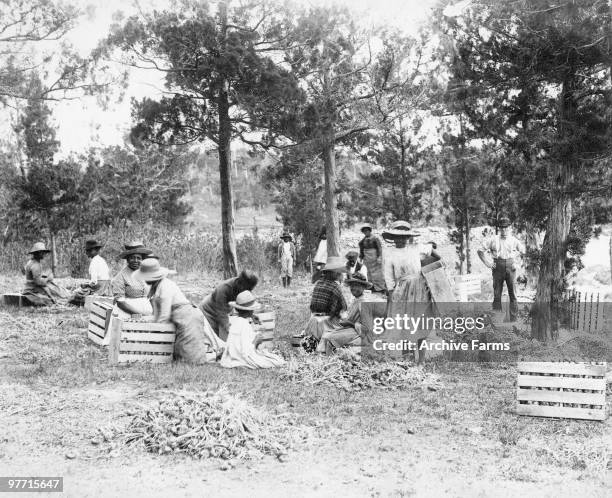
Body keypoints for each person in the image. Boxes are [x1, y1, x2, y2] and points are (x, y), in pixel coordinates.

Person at [135, 258, 224, 364]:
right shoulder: (155, 288)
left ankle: (217, 355)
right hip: (178, 318)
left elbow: (164, 316)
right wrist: (145, 320)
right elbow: (157, 315)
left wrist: (154, 333)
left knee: (189, 358)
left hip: (187, 316)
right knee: (179, 352)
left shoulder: (165, 286)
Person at [383, 221, 442, 364]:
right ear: (393, 237)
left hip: (420, 289)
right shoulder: (389, 255)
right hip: (402, 291)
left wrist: (432, 266)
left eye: (404, 237)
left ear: (408, 237)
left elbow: (436, 256)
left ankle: (421, 360)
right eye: (398, 237)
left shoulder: (416, 249)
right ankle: (407, 359)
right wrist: (392, 299)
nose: (401, 240)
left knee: (420, 325)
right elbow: (389, 279)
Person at [220, 291, 286, 369]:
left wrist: (251, 316)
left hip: (232, 356)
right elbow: (246, 353)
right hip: (242, 358)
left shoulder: (236, 321)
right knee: (278, 361)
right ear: (250, 310)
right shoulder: (244, 325)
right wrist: (256, 341)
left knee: (272, 357)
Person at [477, 216, 525, 321]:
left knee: (513, 293)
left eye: (506, 227)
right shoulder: (493, 239)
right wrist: (488, 263)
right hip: (497, 266)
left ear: (510, 228)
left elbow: (524, 252)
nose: (504, 230)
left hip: (510, 266)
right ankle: (497, 319)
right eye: (502, 227)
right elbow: (480, 250)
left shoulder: (513, 240)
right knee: (497, 294)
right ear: (499, 228)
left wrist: (517, 263)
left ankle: (514, 320)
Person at [316, 273, 372, 354]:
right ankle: (322, 354)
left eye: (356, 285)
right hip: (350, 329)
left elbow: (367, 329)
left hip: (358, 333)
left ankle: (327, 358)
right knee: (324, 325)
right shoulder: (356, 300)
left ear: (363, 287)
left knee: (329, 337)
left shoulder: (364, 303)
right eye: (352, 285)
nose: (353, 288)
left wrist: (351, 323)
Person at [199, 270, 259, 341]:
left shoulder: (244, 287)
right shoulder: (223, 289)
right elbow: (221, 314)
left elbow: (244, 305)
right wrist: (231, 331)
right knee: (214, 338)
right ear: (241, 284)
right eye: (247, 289)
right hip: (208, 311)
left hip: (223, 309)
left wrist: (251, 315)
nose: (248, 291)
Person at [303, 256, 348, 345]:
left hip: (313, 318)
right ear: (335, 273)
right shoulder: (335, 286)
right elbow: (344, 306)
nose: (341, 275)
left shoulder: (318, 283)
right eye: (339, 273)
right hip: (326, 320)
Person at [111, 241, 154, 316]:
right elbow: (120, 302)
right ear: (127, 260)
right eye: (132, 258)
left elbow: (151, 297)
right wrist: (139, 313)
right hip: (127, 313)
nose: (135, 261)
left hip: (147, 313)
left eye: (138, 258)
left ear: (142, 260)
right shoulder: (121, 276)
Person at [69, 240, 111, 306]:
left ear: (94, 250)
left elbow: (94, 282)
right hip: (106, 286)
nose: (86, 253)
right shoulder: (101, 259)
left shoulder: (94, 262)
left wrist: (86, 285)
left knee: (75, 294)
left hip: (99, 287)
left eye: (88, 251)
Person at [358, 224, 386, 292]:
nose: (366, 232)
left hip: (375, 258)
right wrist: (361, 258)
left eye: (367, 231)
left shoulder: (375, 238)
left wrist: (379, 257)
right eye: (364, 231)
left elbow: (379, 248)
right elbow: (361, 250)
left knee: (378, 273)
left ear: (370, 231)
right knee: (369, 273)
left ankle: (380, 287)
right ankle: (372, 286)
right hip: (367, 259)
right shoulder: (362, 241)